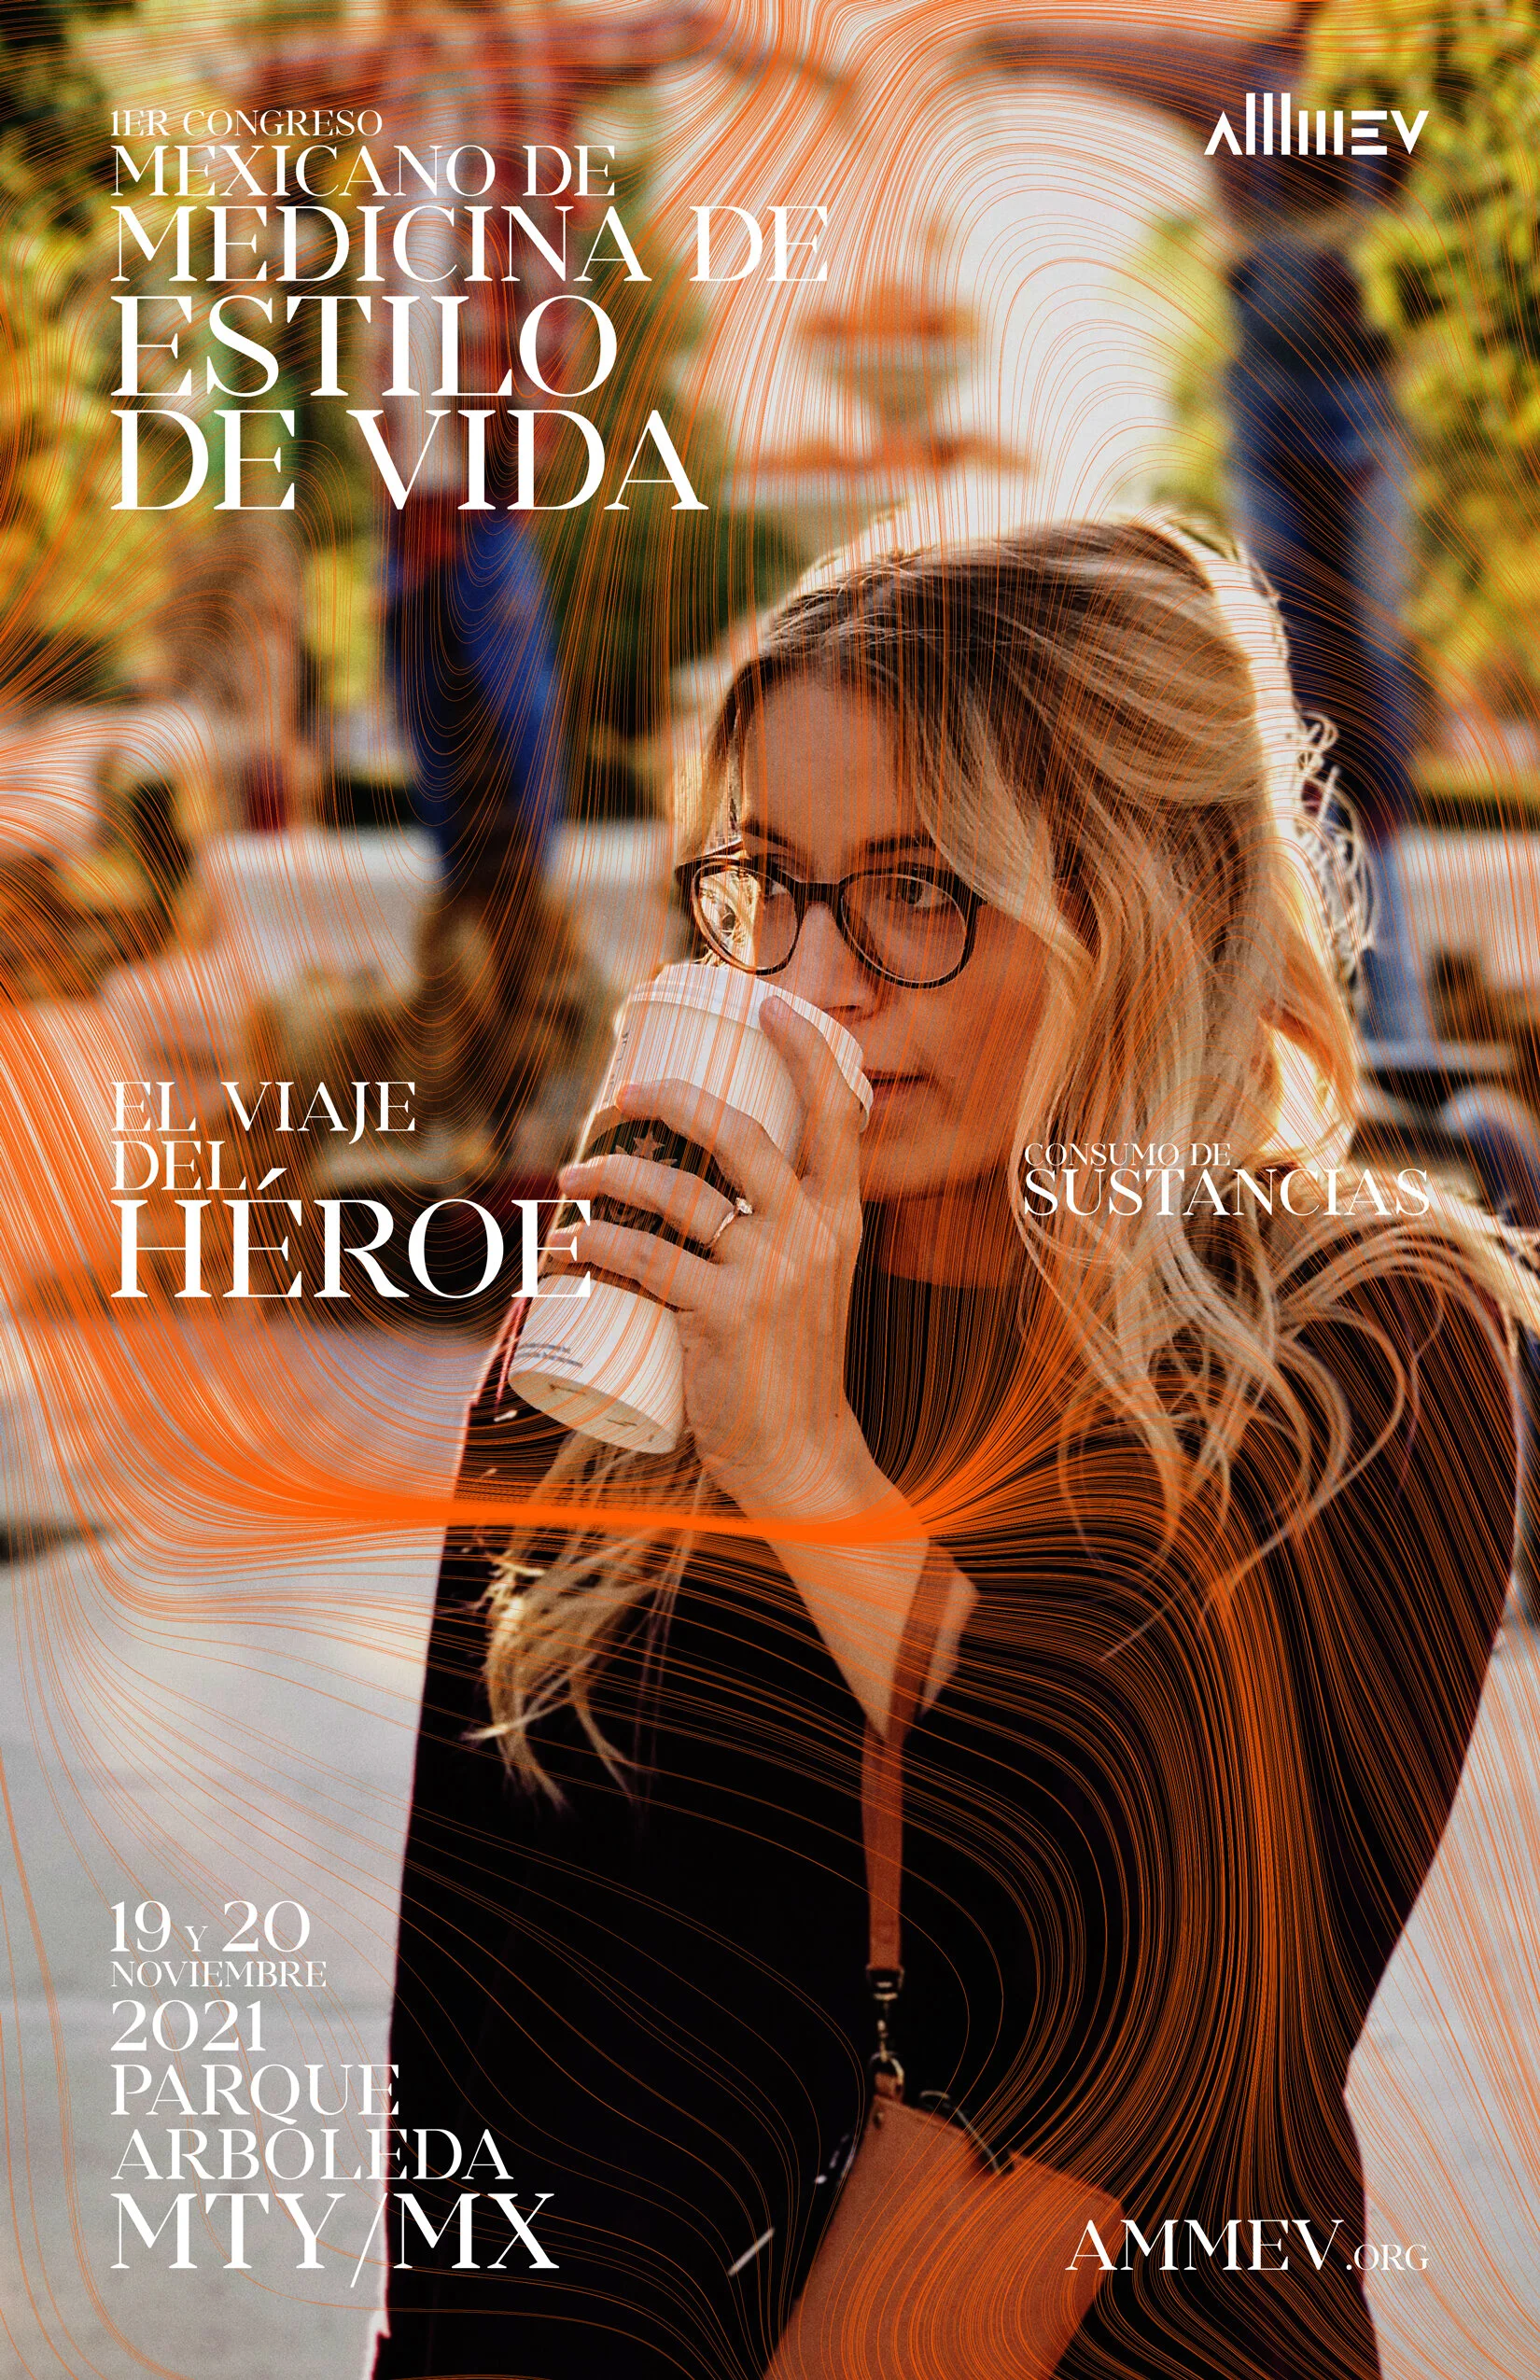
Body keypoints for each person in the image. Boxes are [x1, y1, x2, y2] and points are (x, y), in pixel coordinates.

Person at [370, 520, 1526, 2380]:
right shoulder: (619, 1355)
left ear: (1163, 898)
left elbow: (1179, 1950)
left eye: (915, 892)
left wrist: (809, 1461)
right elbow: (487, 2093)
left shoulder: (1370, 1345)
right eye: (770, 887)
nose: (814, 989)